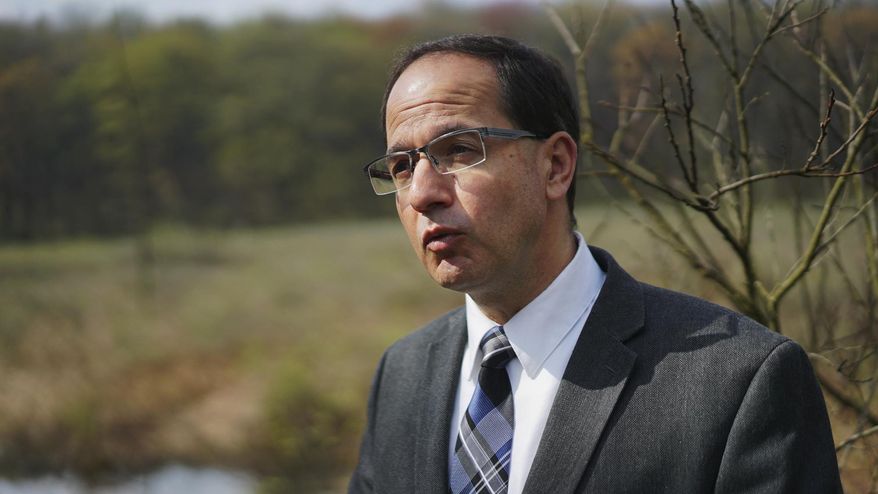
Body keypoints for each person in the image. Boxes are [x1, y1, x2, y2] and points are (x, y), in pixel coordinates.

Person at [349, 34, 841, 494]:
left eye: (458, 149)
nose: (422, 193)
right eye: (402, 166)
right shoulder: (403, 374)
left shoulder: (740, 380)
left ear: (556, 166)